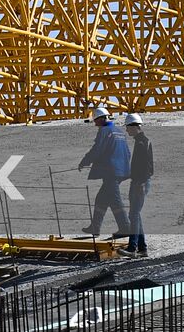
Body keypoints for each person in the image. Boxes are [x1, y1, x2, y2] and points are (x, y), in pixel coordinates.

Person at [78, 106, 131, 238]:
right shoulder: (119, 131)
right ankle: (95, 227)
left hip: (111, 171)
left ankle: (126, 227)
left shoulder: (104, 130)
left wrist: (85, 161)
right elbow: (127, 152)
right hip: (121, 170)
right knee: (101, 198)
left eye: (96, 120)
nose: (95, 124)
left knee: (115, 200)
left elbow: (97, 149)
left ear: (101, 119)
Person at [120, 113, 153, 256]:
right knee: (135, 215)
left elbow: (147, 167)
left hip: (140, 183)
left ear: (133, 126)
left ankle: (132, 248)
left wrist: (140, 182)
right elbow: (140, 167)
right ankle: (142, 248)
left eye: (127, 127)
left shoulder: (142, 143)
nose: (126, 130)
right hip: (139, 182)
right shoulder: (142, 141)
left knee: (133, 215)